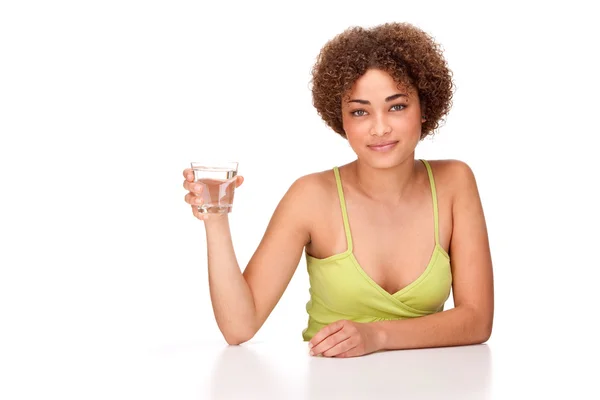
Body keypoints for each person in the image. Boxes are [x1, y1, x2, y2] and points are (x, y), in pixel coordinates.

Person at [182, 22, 494, 358]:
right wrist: (216, 218)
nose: (380, 127)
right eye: (360, 111)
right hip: (330, 383)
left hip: (431, 387)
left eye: (397, 106)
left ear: (424, 108)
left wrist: (377, 336)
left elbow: (477, 321)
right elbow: (239, 327)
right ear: (340, 120)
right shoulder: (311, 197)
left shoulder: (455, 182)